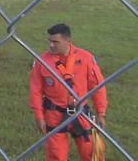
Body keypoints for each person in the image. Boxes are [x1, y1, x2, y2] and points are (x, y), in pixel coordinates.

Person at [29, 23, 107, 161]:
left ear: (68, 41)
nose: (51, 45)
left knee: (93, 154)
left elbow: (98, 87)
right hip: (54, 114)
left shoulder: (85, 58)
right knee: (56, 156)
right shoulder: (42, 62)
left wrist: (101, 113)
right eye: (50, 41)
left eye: (55, 42)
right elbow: (35, 91)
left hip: (81, 113)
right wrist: (39, 116)